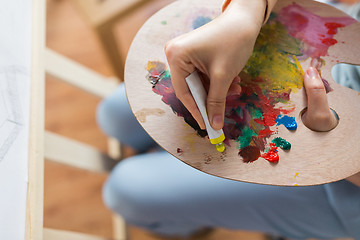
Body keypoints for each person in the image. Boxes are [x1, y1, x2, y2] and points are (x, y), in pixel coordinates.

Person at [96, 0, 360, 239]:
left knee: (127, 191)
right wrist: (247, 12)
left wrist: (335, 151)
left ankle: (187, 224)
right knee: (114, 115)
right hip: (332, 35)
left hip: (342, 185)